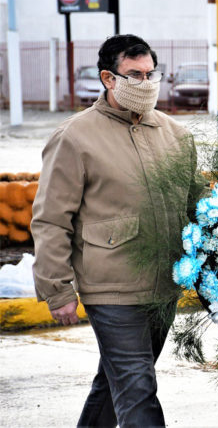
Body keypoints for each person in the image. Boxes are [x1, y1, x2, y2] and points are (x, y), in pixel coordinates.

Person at [31, 34, 195, 427]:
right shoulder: (75, 137)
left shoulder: (177, 136)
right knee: (138, 390)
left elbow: (196, 209)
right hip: (111, 290)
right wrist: (57, 289)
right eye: (134, 75)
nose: (146, 82)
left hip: (163, 286)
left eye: (151, 73)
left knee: (117, 383)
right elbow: (51, 218)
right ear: (109, 78)